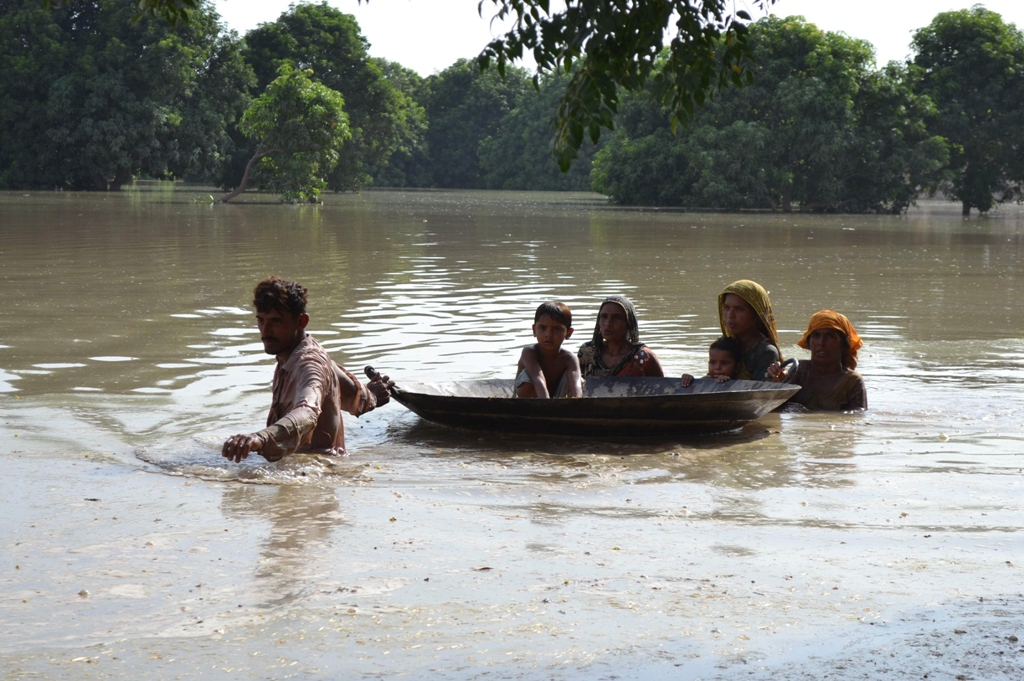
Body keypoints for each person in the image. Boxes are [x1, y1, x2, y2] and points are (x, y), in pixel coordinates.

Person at [221, 276, 392, 463]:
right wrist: (374, 396)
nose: (266, 331)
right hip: (300, 469)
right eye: (261, 321)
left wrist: (260, 438)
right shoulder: (297, 355)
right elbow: (352, 393)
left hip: (317, 472)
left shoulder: (311, 364)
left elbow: (308, 412)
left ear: (301, 322)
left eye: (276, 321)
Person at [767, 310, 867, 411]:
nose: (821, 342)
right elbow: (775, 409)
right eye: (816, 336)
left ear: (843, 345)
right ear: (809, 343)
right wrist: (778, 385)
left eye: (829, 336)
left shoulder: (852, 382)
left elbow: (857, 418)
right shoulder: (801, 371)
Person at [577, 295, 664, 377]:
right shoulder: (587, 353)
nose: (608, 324)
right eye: (604, 317)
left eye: (616, 318)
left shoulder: (644, 358)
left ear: (629, 324)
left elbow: (663, 389)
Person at [715, 279, 782, 381]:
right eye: (726, 308)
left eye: (739, 309)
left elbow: (759, 392)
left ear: (757, 315)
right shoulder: (726, 345)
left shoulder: (765, 352)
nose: (730, 316)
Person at [515, 301, 583, 398]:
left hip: (558, 402)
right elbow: (538, 380)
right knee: (526, 377)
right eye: (542, 328)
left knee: (579, 380)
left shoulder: (569, 358)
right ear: (534, 330)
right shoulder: (529, 352)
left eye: (556, 329)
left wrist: (577, 403)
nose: (548, 334)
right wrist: (548, 406)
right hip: (529, 402)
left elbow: (576, 386)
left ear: (568, 333)